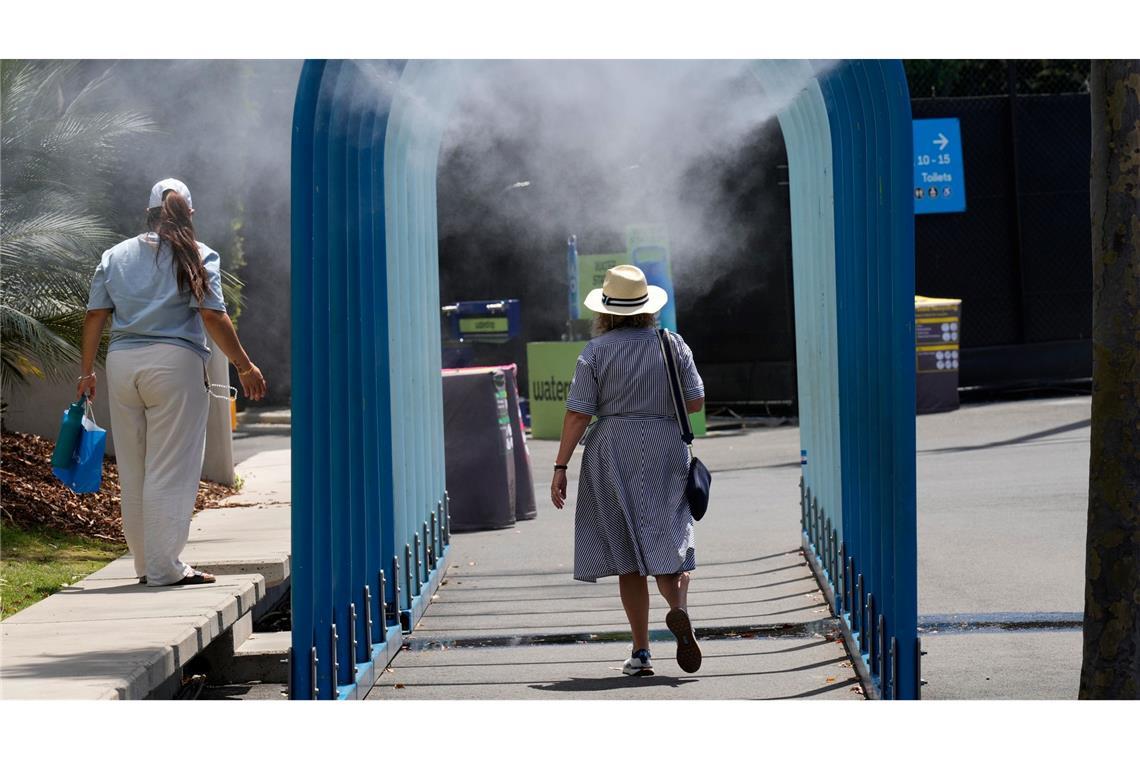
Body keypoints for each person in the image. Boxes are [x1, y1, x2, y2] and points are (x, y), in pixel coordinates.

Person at [77, 178, 267, 587]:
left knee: (134, 468)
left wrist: (87, 372)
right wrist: (244, 365)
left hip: (122, 366)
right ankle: (165, 568)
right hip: (175, 367)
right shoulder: (199, 254)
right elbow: (212, 314)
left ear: (148, 213)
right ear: (189, 213)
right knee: (170, 468)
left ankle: (146, 564)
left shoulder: (115, 255)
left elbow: (95, 315)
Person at [551, 264, 705, 676]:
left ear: (605, 311)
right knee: (669, 540)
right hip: (665, 447)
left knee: (629, 558)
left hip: (613, 451)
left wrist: (561, 465)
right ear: (648, 307)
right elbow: (694, 402)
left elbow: (578, 413)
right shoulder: (672, 344)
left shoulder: (595, 352)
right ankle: (679, 607)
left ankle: (641, 653)